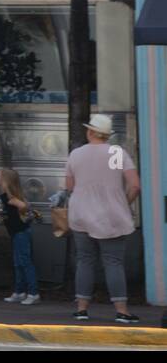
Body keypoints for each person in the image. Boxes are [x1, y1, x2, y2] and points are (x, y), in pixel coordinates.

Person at [65, 113, 141, 324]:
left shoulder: (76, 154)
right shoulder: (116, 153)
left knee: (85, 261)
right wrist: (124, 202)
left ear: (90, 131)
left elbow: (70, 187)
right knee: (113, 262)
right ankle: (122, 311)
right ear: (107, 135)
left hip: (80, 215)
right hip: (111, 216)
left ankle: (81, 309)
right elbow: (135, 185)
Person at [0, 168, 39, 304]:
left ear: (6, 181)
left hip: (21, 233)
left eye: (0, 176)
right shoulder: (6, 196)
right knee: (18, 263)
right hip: (16, 233)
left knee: (25, 263)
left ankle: (33, 294)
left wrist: (22, 207)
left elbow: (25, 206)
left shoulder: (11, 198)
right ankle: (19, 292)